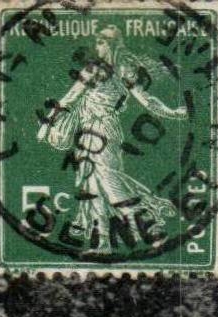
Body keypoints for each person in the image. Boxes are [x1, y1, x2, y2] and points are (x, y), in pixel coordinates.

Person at [37, 26, 187, 246]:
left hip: (106, 131)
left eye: (104, 40)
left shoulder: (124, 69)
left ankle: (147, 225)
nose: (100, 45)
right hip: (85, 133)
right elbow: (69, 97)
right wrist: (47, 123)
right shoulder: (91, 69)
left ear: (116, 43)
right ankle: (104, 241)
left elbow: (146, 100)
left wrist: (172, 113)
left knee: (110, 181)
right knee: (91, 185)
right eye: (98, 41)